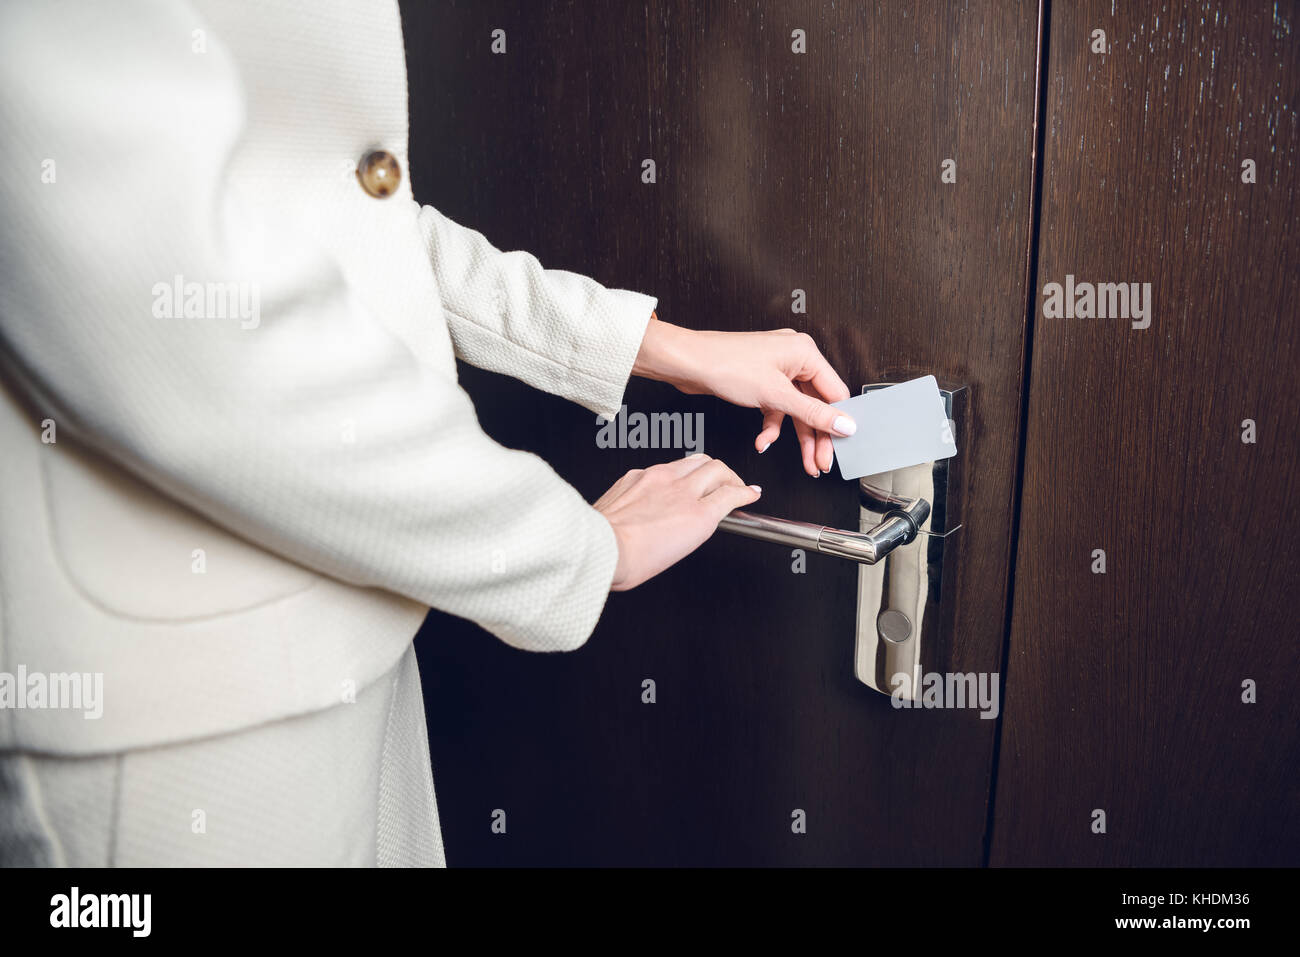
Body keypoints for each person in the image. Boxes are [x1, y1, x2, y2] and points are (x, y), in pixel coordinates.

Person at [0, 0, 855, 866]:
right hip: (179, 710)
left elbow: (336, 215)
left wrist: (658, 347)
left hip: (351, 624)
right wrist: (577, 548)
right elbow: (180, 322)